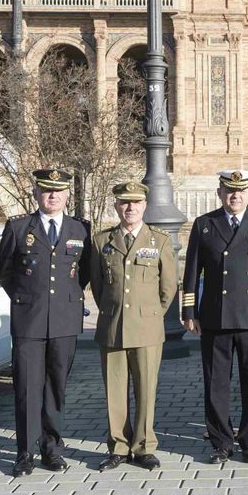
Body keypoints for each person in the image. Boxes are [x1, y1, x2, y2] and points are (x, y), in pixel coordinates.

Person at [182, 170, 248, 464]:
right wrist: (189, 311)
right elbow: (191, 272)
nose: (235, 196)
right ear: (220, 192)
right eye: (230, 191)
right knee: (216, 382)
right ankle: (220, 441)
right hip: (215, 315)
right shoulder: (205, 225)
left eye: (241, 191)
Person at [0, 168, 92, 476]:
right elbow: (5, 271)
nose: (52, 196)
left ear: (66, 195)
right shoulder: (19, 227)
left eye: (58, 191)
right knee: (26, 387)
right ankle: (24, 452)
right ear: (37, 194)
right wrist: (27, 298)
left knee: (56, 387)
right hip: (29, 321)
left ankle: (51, 448)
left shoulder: (80, 230)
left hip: (64, 320)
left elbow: (86, 273)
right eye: (46, 190)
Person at [88, 181, 177, 471]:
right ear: (116, 206)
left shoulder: (159, 241)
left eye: (136, 203)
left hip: (147, 327)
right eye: (125, 203)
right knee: (114, 390)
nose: (130, 208)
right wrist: (113, 311)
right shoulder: (102, 242)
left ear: (144, 206)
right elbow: (99, 286)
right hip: (112, 325)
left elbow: (168, 288)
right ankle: (118, 446)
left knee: (146, 389)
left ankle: (144, 446)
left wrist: (150, 313)